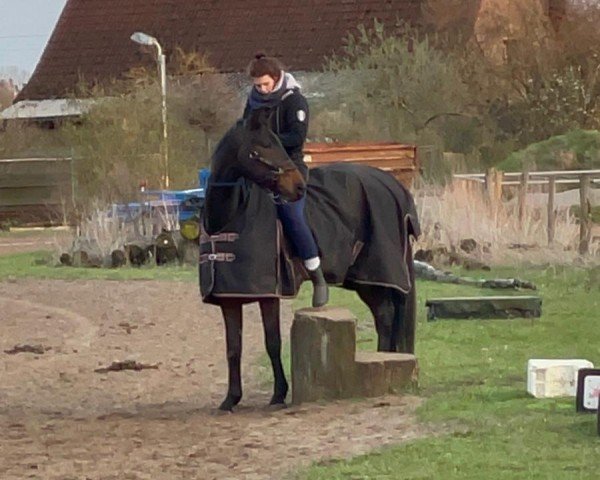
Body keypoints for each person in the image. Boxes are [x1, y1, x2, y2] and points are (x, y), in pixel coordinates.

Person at [243, 53, 328, 308]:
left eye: (265, 85)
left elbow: (297, 137)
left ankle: (316, 273)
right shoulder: (253, 101)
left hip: (289, 166)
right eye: (257, 85)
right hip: (260, 165)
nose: (261, 89)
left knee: (291, 213)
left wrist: (268, 143)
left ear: (277, 79)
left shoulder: (295, 101)